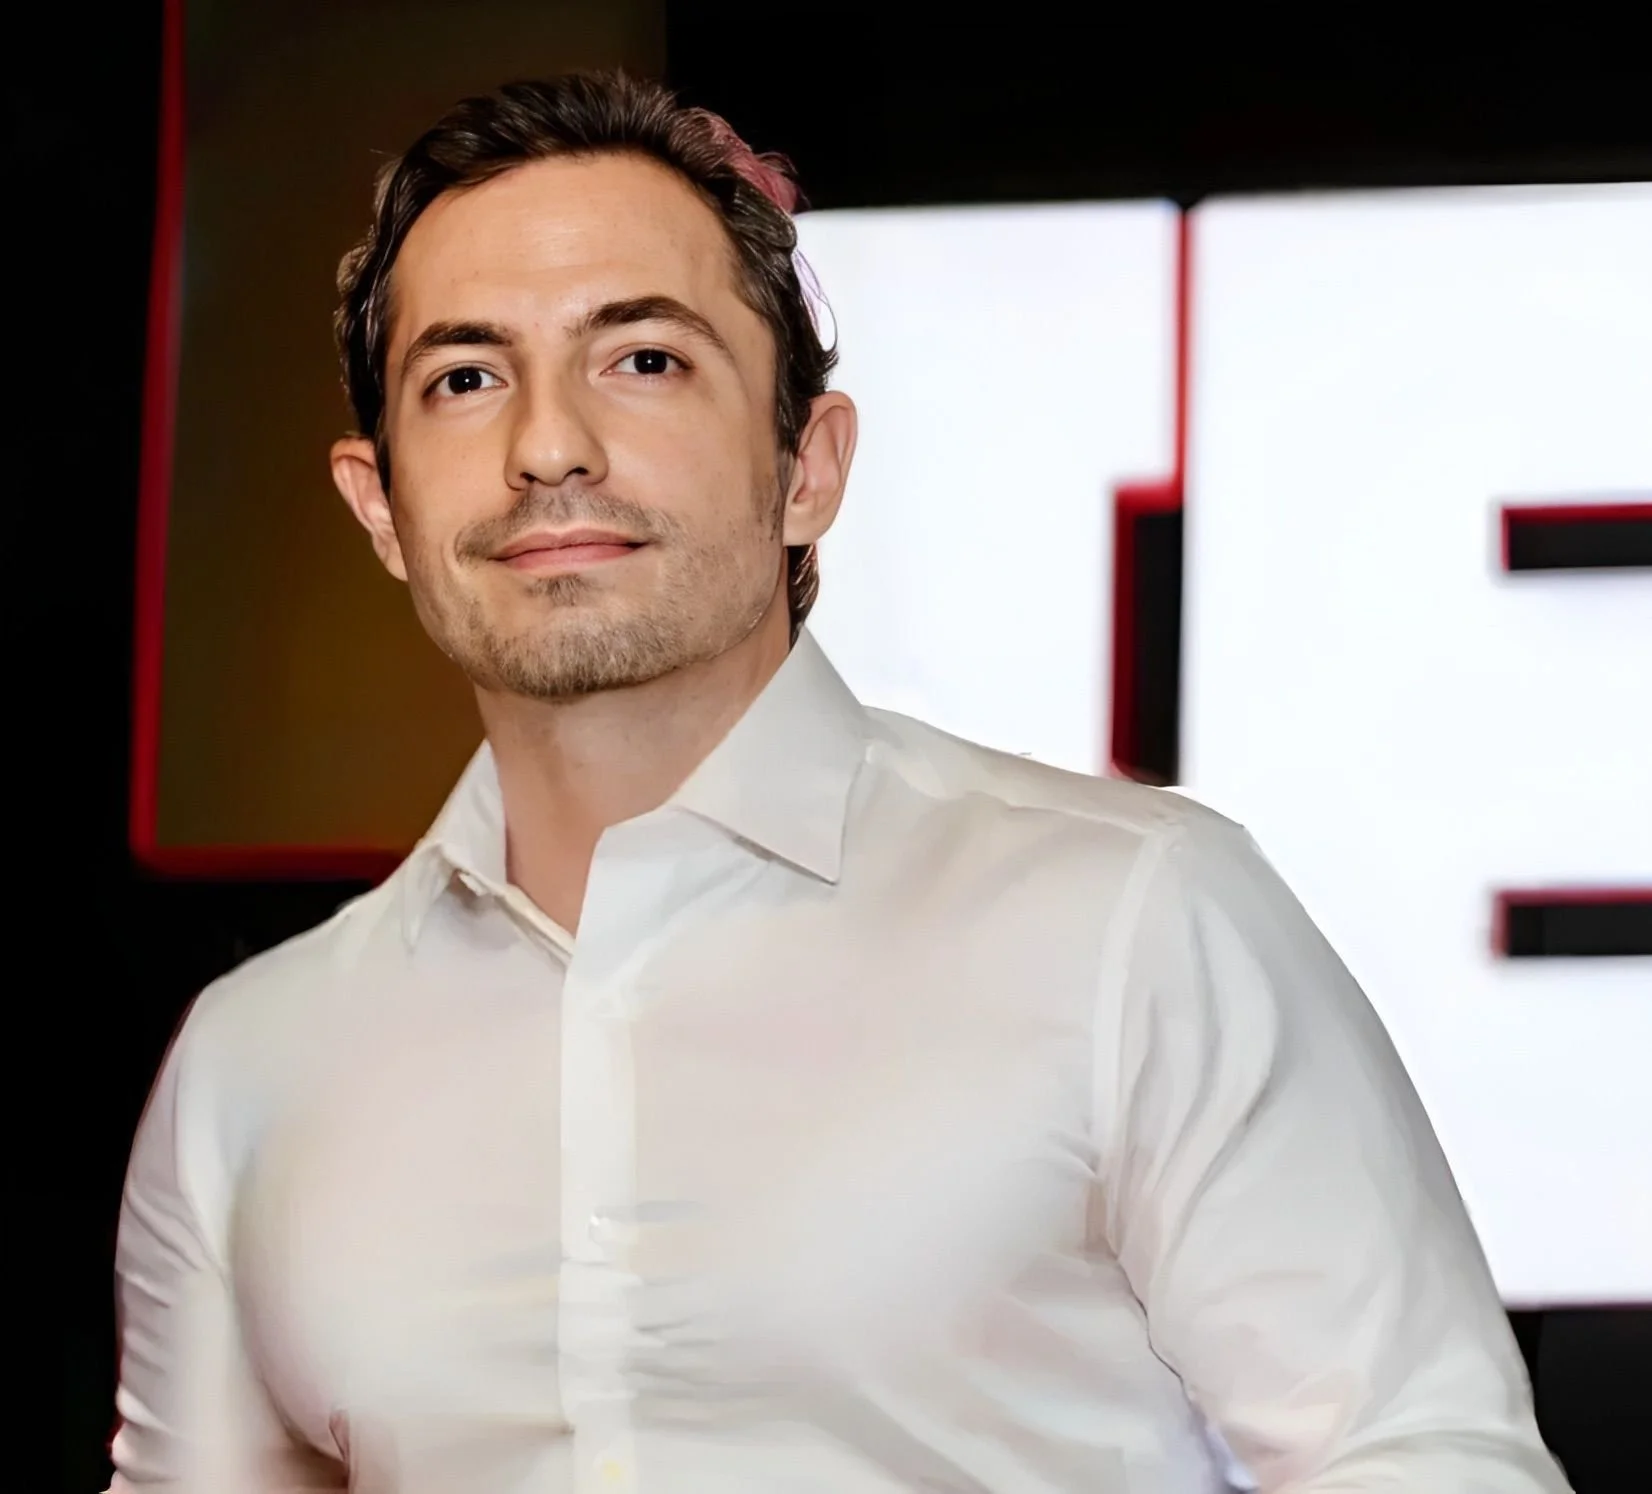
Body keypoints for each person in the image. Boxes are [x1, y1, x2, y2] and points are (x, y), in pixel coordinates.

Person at [107, 72, 1571, 1493]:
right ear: (380, 504)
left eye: (645, 358)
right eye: (468, 377)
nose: (548, 447)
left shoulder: (1129, 921)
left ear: (808, 465)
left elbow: (1422, 1455)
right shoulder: (254, 1069)